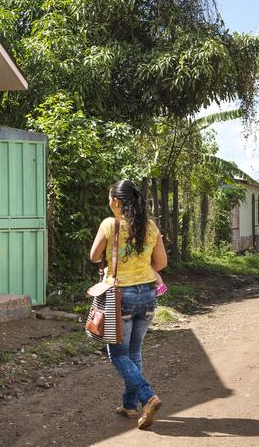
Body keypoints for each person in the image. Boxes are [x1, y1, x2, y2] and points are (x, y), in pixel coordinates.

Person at [89, 180, 167, 430]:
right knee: (134, 352)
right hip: (148, 295)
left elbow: (93, 256)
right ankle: (130, 405)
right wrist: (141, 269)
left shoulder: (110, 224)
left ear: (117, 202)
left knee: (117, 354)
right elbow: (161, 263)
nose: (109, 201)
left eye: (110, 197)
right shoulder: (150, 226)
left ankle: (148, 396)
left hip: (120, 296)